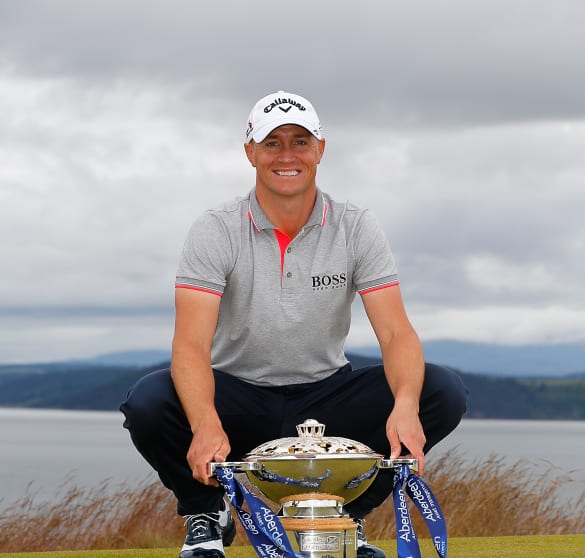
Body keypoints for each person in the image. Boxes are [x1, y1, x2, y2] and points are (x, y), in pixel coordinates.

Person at [120, 90, 469, 558]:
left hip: (326, 400)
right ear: (250, 153)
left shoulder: (356, 225)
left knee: (440, 390)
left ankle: (345, 518)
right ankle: (206, 511)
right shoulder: (216, 228)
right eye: (272, 143)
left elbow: (395, 333)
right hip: (236, 397)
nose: (287, 156)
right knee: (148, 401)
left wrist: (405, 404)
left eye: (300, 142)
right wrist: (205, 422)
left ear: (321, 149)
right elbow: (190, 344)